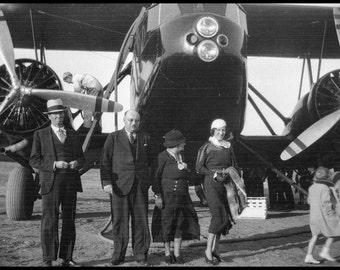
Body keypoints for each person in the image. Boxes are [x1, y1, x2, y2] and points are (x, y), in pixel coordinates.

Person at [29, 98, 85, 267]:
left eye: (60, 114)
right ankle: (48, 258)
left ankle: (66, 258)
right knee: (49, 221)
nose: (59, 117)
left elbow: (82, 158)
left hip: (70, 183)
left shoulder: (73, 134)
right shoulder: (40, 134)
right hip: (50, 183)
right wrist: (53, 164)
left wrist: (77, 163)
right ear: (49, 117)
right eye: (55, 114)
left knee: (69, 220)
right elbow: (34, 160)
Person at [100, 110, 153, 266]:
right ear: (124, 119)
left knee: (140, 221)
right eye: (130, 120)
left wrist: (147, 180)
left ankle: (140, 254)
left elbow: (151, 162)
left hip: (139, 186)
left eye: (136, 120)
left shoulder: (145, 138)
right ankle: (118, 254)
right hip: (119, 187)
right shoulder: (113, 137)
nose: (134, 123)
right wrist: (106, 182)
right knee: (120, 221)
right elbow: (105, 161)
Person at [151, 129, 200, 265]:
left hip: (182, 198)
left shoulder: (182, 156)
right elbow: (155, 177)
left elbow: (189, 176)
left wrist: (185, 169)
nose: (184, 144)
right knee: (167, 224)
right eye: (182, 142)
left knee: (179, 224)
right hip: (167, 198)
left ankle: (177, 253)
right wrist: (158, 196)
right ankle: (167, 253)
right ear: (176, 144)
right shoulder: (162, 157)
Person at [195, 119, 240, 265]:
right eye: (218, 130)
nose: (221, 133)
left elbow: (234, 164)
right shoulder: (207, 147)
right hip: (212, 184)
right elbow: (199, 167)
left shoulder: (228, 147)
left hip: (226, 184)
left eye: (223, 130)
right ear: (213, 130)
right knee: (218, 216)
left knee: (224, 216)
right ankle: (208, 250)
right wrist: (214, 174)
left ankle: (216, 249)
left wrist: (231, 174)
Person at [304, 166, 340, 264]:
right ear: (327, 176)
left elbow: (309, 201)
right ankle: (325, 250)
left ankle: (309, 256)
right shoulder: (325, 187)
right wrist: (331, 212)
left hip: (313, 215)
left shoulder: (312, 187)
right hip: (324, 215)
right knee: (336, 229)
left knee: (315, 236)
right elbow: (326, 202)